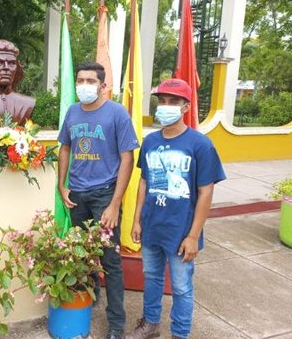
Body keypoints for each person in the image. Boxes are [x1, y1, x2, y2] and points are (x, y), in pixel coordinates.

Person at [126, 79, 226, 339]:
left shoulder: (200, 145)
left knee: (181, 287)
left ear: (186, 107)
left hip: (181, 231)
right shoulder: (149, 142)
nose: (165, 106)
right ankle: (150, 324)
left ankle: (179, 334)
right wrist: (137, 220)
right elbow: (144, 183)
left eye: (173, 102)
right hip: (152, 226)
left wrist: (193, 236)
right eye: (162, 101)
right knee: (152, 278)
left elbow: (206, 193)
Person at [57, 61, 139, 339]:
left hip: (105, 194)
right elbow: (65, 147)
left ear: (103, 86)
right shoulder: (72, 112)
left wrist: (115, 204)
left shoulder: (117, 114)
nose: (84, 86)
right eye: (80, 80)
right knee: (83, 254)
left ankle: (116, 324)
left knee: (111, 262)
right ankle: (91, 295)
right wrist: (62, 184)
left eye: (90, 81)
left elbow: (128, 157)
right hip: (77, 195)